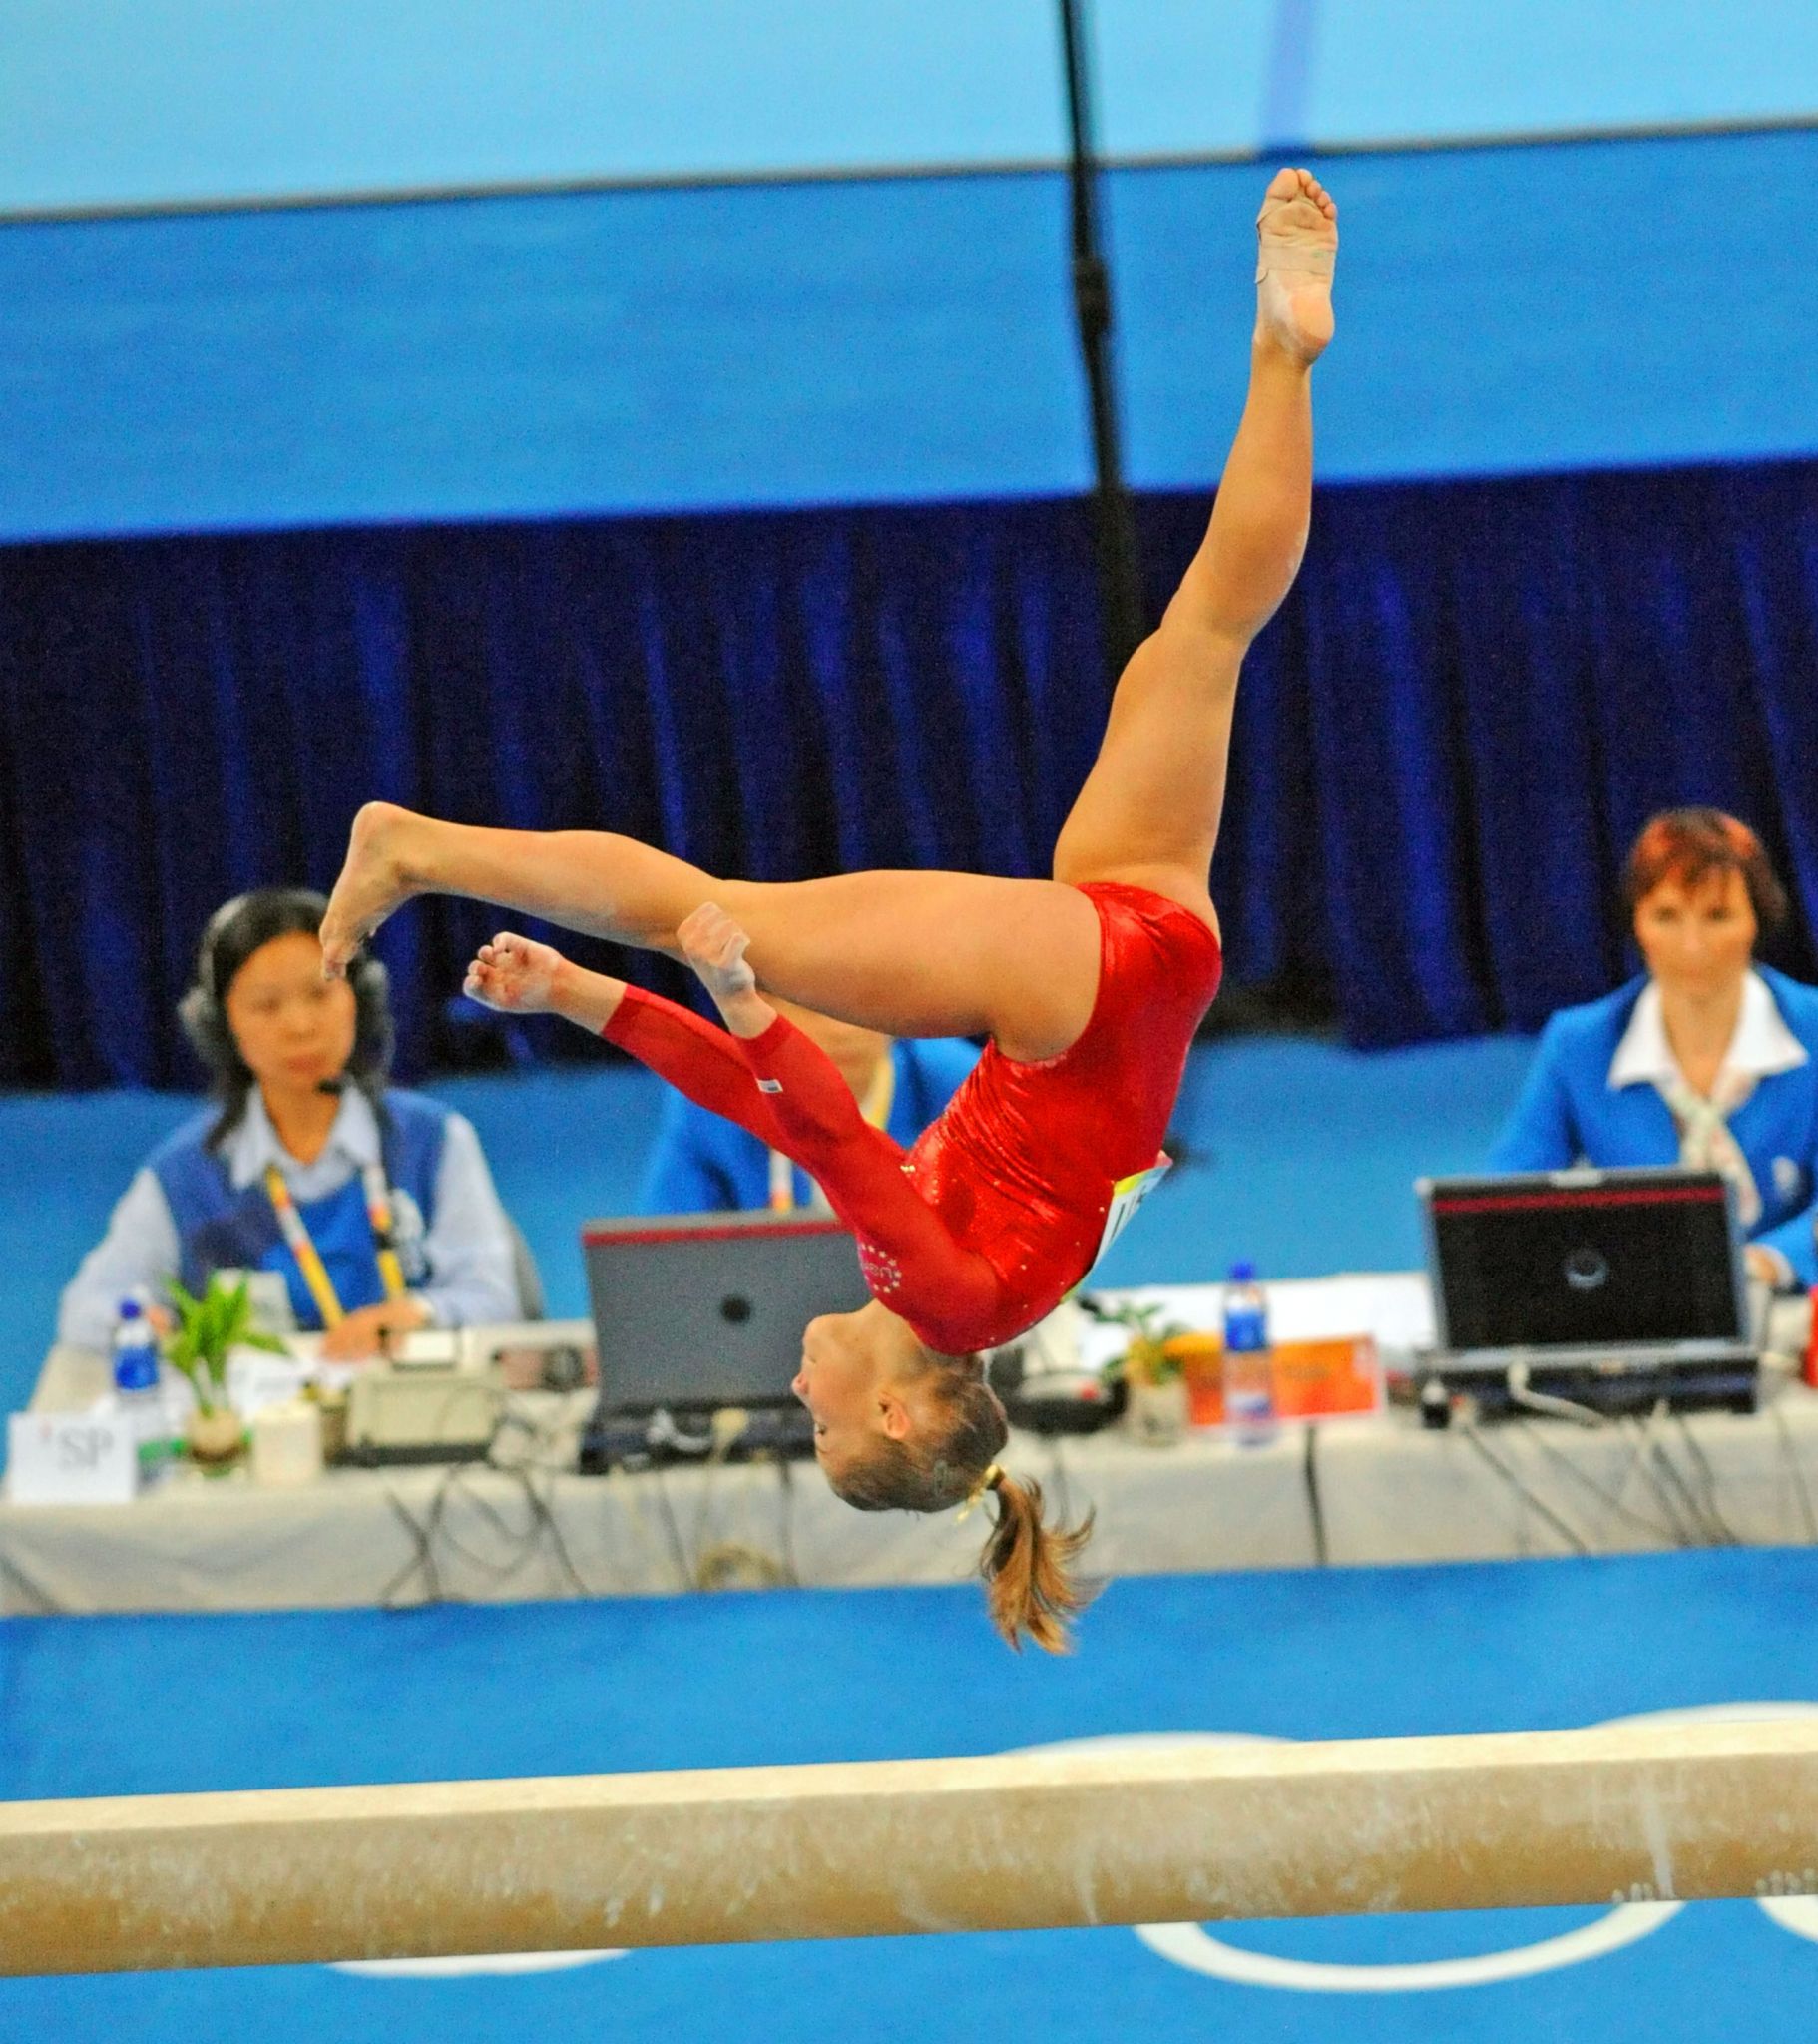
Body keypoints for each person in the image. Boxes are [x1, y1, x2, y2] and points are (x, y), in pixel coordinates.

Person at [320, 169, 1339, 1648]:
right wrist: (735, 993)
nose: (795, 1398)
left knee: (1207, 630)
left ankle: (1282, 351)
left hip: (1146, 953)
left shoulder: (975, 1305)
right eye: (825, 1429)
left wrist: (580, 999)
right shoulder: (940, 1298)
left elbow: (758, 1112)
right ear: (890, 1406)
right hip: (1072, 1000)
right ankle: (413, 847)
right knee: (707, 908)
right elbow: (826, 1138)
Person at [58, 888, 523, 1358]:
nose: (300, 1026)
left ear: (358, 1001)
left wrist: (420, 1314)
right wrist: (140, 1323)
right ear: (222, 1026)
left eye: (320, 993)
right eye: (266, 1005)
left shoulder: (434, 1140)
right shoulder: (184, 1174)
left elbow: (494, 1298)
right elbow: (86, 1308)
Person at [1491, 809, 1818, 1289]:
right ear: (1637, 924)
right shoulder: (1578, 1044)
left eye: (1717, 916)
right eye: (1666, 916)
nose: (1692, 945)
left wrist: (1763, 1264)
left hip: (1793, 1305)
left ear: (1758, 920)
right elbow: (1505, 1202)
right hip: (1632, 1305)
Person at [638, 996, 978, 1214]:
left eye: (866, 1005)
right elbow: (665, 1255)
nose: (845, 1030)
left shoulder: (961, 1085)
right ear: (762, 1008)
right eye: (819, 1007)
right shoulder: (711, 1094)